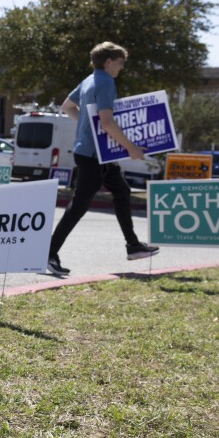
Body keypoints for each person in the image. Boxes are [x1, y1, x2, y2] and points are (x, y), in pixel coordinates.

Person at [47, 42, 159, 275]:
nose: (121, 68)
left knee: (122, 191)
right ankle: (48, 253)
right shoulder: (106, 82)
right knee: (79, 205)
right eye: (119, 63)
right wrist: (132, 148)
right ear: (108, 61)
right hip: (93, 155)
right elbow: (107, 122)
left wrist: (87, 128)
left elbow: (67, 107)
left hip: (93, 152)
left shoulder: (89, 80)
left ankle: (133, 245)